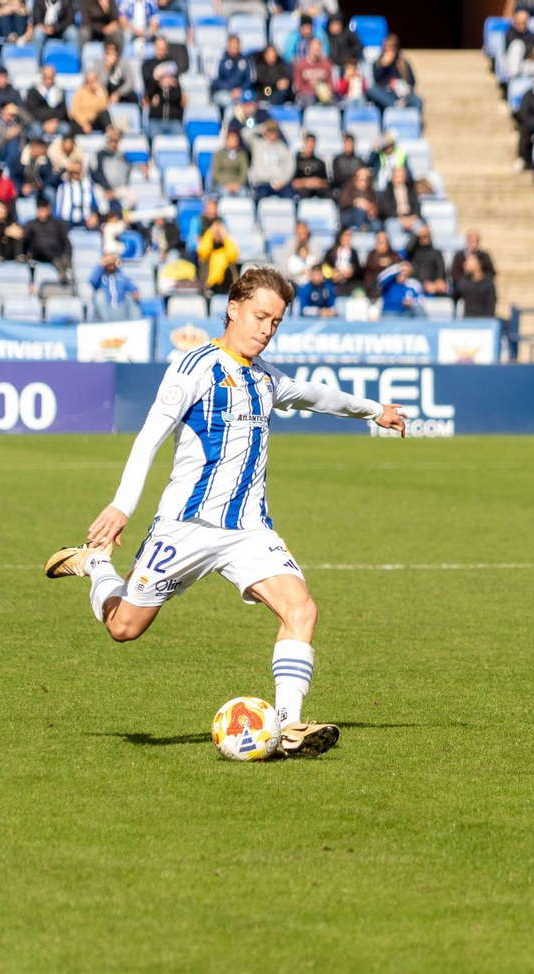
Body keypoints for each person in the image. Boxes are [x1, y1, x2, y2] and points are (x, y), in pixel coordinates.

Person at [43, 267, 410, 757]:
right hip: (186, 527)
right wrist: (121, 505)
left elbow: (317, 395)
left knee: (301, 609)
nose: (266, 329)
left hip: (248, 530)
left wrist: (373, 410)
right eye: (260, 316)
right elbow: (148, 437)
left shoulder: (265, 377)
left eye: (276, 322)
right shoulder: (194, 367)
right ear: (234, 307)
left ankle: (288, 726)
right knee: (123, 628)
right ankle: (97, 566)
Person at [23, 198, 72, 280]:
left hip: (57, 251)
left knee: (54, 249)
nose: (42, 211)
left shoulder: (57, 224)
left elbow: (66, 242)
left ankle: (62, 262)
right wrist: (24, 253)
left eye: (44, 208)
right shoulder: (31, 224)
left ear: (49, 209)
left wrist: (67, 255)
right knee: (43, 246)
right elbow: (24, 239)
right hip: (39, 254)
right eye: (40, 208)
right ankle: (59, 265)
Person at [195, 217, 239, 295]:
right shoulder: (209, 250)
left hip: (226, 285)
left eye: (219, 232)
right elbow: (202, 252)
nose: (217, 234)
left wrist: (225, 236)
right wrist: (210, 233)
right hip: (210, 286)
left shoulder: (226, 247)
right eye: (216, 232)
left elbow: (233, 256)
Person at [91, 252, 139, 320]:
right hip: (106, 309)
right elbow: (92, 282)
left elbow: (133, 288)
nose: (111, 266)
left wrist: (135, 292)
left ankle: (136, 322)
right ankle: (106, 322)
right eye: (109, 264)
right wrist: (101, 266)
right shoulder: (101, 277)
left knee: (130, 298)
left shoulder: (121, 277)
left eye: (112, 263)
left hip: (120, 308)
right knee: (99, 295)